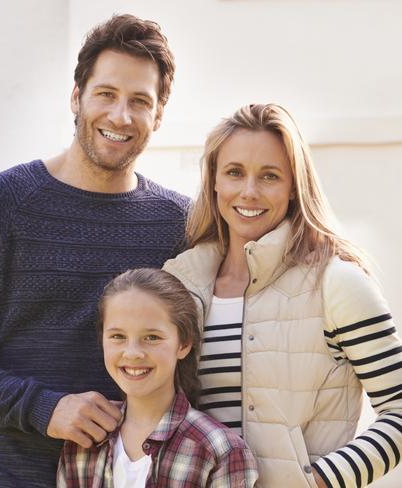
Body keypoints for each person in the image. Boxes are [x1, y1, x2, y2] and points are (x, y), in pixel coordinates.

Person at [0, 14, 190, 488]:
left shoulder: (181, 223)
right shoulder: (0, 202)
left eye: (139, 101)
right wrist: (45, 409)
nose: (120, 116)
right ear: (76, 97)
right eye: (106, 94)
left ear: (158, 116)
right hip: (18, 477)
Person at [163, 103, 402, 487]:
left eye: (270, 176)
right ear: (214, 182)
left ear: (294, 187)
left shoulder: (337, 283)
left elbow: (399, 409)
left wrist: (319, 480)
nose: (249, 191)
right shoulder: (179, 284)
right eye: (235, 173)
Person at [57, 268, 259, 487]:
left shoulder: (219, 451)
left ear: (183, 345)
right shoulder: (82, 445)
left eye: (152, 337)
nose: (132, 352)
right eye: (118, 336)